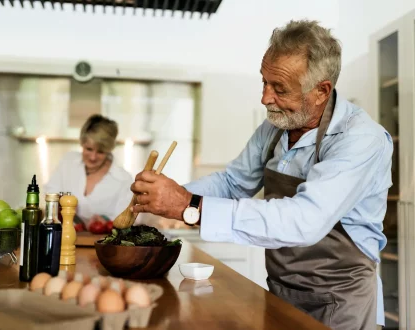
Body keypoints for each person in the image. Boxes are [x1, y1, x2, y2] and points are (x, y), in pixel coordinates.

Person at [130, 20, 392, 330]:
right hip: (282, 291)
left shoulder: (360, 139)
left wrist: (189, 206)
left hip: (341, 303)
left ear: (321, 91)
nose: (265, 98)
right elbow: (232, 183)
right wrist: (164, 196)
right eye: (264, 82)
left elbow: (304, 220)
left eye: (279, 88)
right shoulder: (275, 127)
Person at [44, 114, 133, 228]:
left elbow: (126, 220)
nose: (93, 157)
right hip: (64, 236)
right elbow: (50, 193)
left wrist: (105, 221)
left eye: (100, 152)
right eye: (89, 149)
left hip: (102, 243)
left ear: (110, 149)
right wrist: (60, 204)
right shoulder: (68, 162)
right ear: (82, 143)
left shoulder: (124, 179)